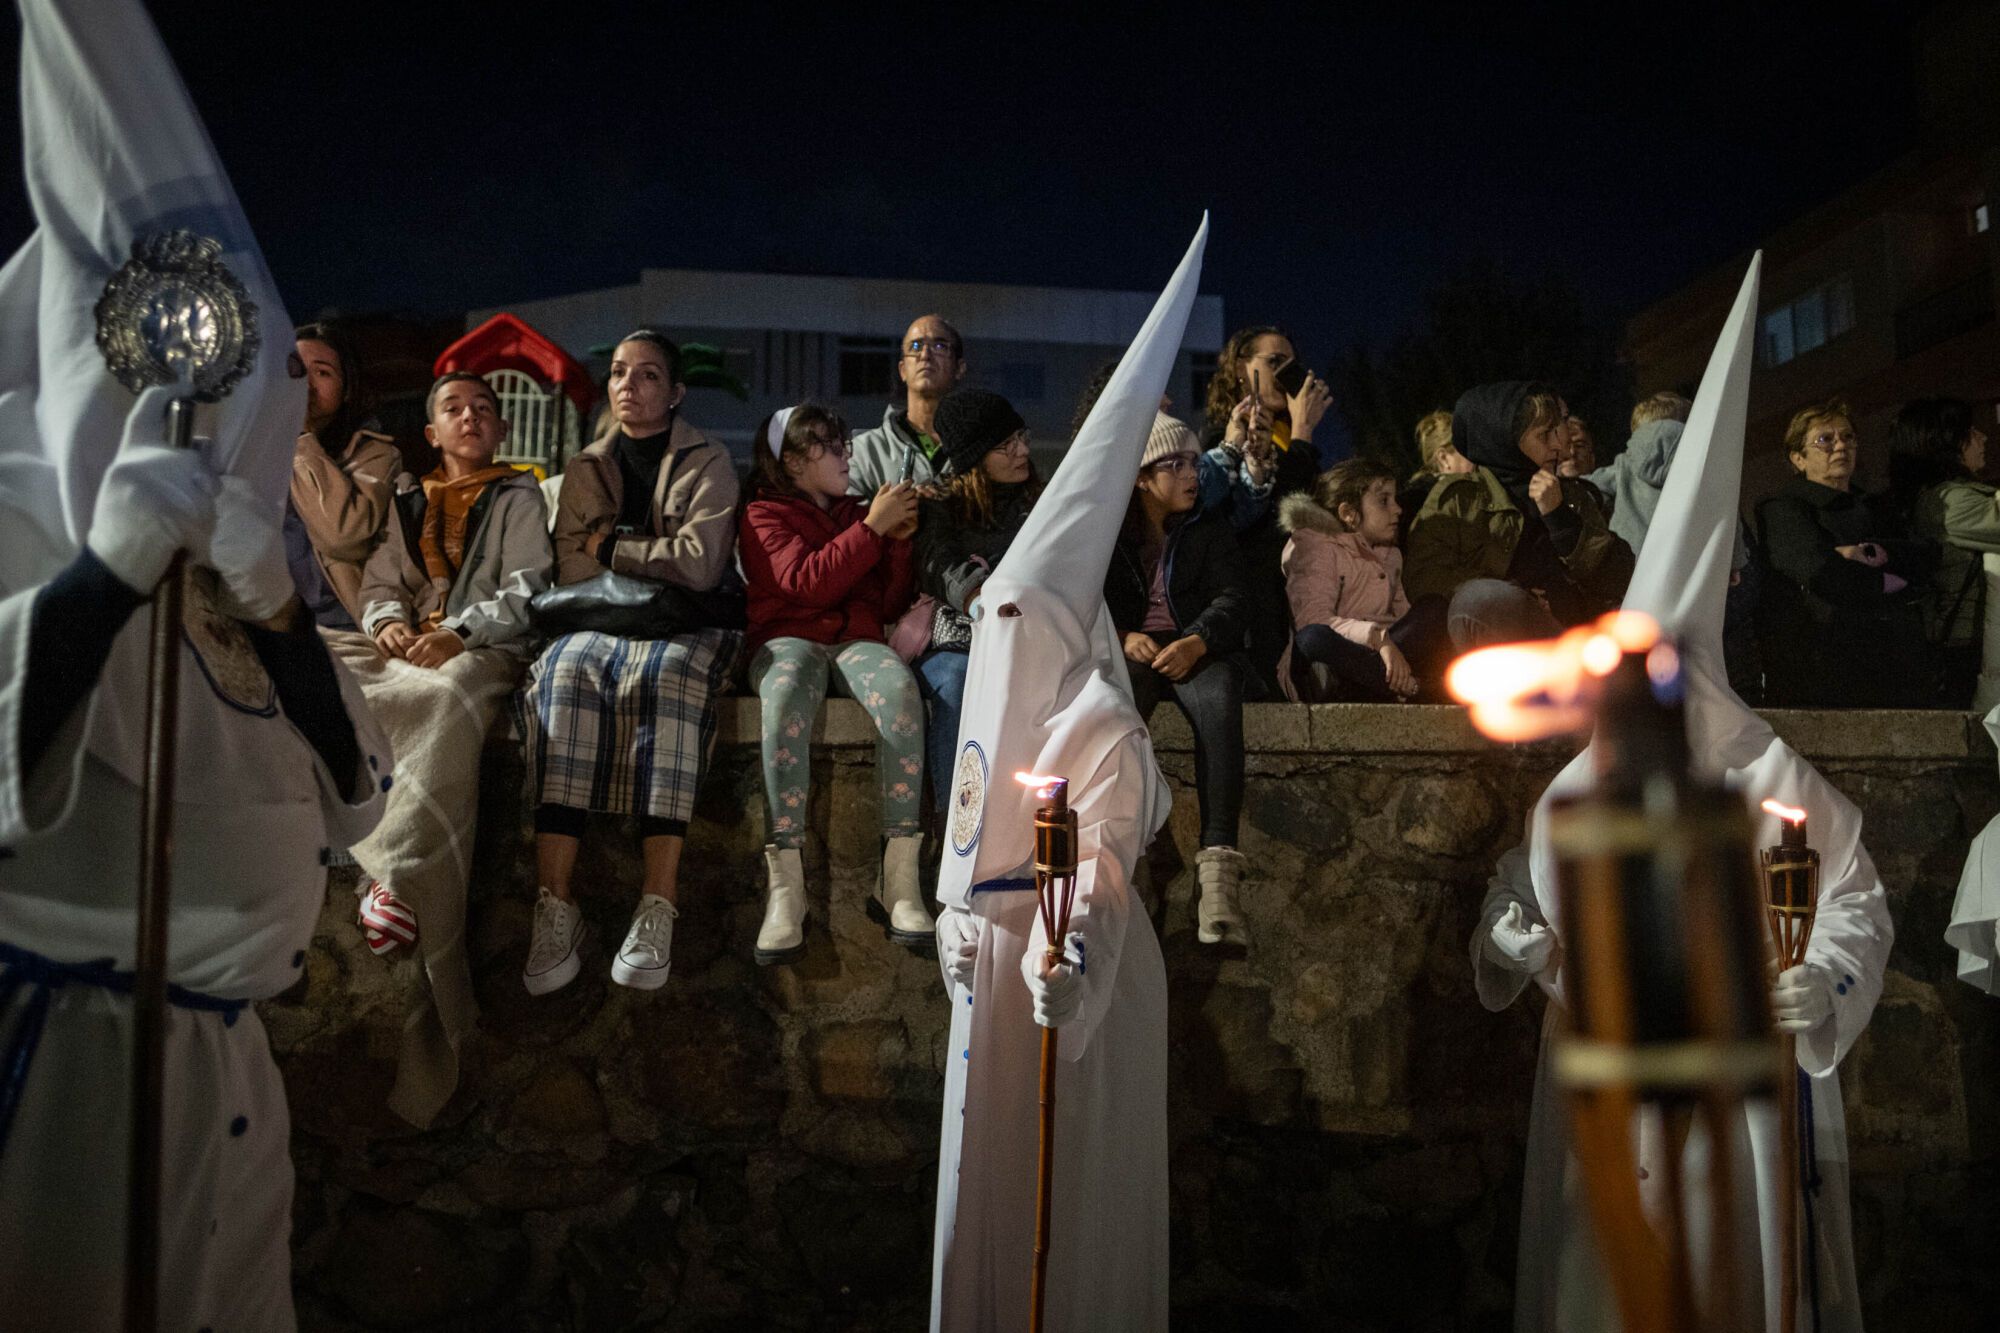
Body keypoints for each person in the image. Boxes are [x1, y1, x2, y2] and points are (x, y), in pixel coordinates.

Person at [1, 8, 388, 1327]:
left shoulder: (242, 585)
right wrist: (105, 573)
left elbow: (353, 795)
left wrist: (277, 610)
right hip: (63, 1093)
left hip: (226, 1084)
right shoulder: (15, 526)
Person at [1474, 258, 1888, 1332]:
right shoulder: (1577, 787)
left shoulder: (1766, 774)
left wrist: (1825, 980)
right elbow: (1523, 898)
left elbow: (1851, 899)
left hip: (1740, 1089)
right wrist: (1516, 940)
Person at [930, 215, 1207, 1333]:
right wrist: (956, 921)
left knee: (1067, 1210)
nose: (1002, 637)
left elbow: (1103, 858)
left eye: (1020, 620)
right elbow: (966, 830)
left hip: (1070, 984)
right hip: (990, 989)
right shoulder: (994, 705)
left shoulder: (1103, 728)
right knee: (983, 1201)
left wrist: (1073, 949)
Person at [322, 372, 552, 1126]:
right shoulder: (408, 497)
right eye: (454, 408)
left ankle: (391, 878)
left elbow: (528, 587)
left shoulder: (518, 495)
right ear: (431, 432)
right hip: (409, 644)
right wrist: (387, 620)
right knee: (321, 661)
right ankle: (367, 855)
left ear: (502, 430)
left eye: (485, 409)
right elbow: (380, 582)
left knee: (442, 697)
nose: (471, 418)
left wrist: (460, 632)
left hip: (479, 648)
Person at [518, 330, 741, 994]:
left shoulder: (708, 459)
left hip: (684, 620)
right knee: (564, 673)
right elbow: (573, 566)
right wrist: (646, 555)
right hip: (604, 618)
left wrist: (615, 547)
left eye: (647, 375)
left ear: (674, 393)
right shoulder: (588, 463)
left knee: (669, 678)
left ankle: (658, 901)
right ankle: (556, 904)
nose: (627, 385)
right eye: (618, 372)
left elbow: (700, 564)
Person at [738, 403, 930, 962]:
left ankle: (897, 878)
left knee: (899, 691)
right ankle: (786, 887)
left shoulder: (858, 512)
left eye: (845, 442)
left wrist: (897, 542)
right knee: (785, 689)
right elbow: (807, 583)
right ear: (793, 461)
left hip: (856, 641)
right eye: (829, 445)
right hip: (788, 638)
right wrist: (872, 530)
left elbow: (888, 603)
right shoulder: (762, 514)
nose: (847, 455)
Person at [1104, 413, 1252, 944]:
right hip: (1135, 650)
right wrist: (1122, 636)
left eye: (1193, 462)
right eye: (1176, 465)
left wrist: (1198, 639)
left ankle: (1218, 879)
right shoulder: (1110, 531)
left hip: (1194, 647)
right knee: (1115, 714)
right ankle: (1130, 861)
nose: (1192, 474)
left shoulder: (1208, 526)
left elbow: (1235, 598)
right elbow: (1080, 599)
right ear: (1142, 477)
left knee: (1220, 705)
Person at [1404, 381, 1634, 650]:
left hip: (1584, 645)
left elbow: (1620, 576)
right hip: (1512, 650)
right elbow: (1423, 577)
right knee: (1479, 599)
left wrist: (1560, 520)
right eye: (1544, 435)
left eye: (1557, 430)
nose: (1559, 445)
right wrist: (1512, 593)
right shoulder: (1460, 499)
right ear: (1508, 440)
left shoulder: (1572, 494)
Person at [1756, 399, 1936, 707]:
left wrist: (1872, 552)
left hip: (1897, 661)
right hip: (1829, 666)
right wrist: (1887, 581)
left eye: (1847, 437)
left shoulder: (1877, 506)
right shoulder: (1784, 510)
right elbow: (1822, 574)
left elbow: (1926, 558)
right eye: (1825, 440)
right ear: (1798, 458)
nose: (1840, 446)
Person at [912, 386, 1040, 818]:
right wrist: (979, 598)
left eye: (1022, 437)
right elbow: (939, 564)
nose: (1023, 451)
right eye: (1006, 446)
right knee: (958, 682)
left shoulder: (1040, 501)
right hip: (960, 640)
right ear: (974, 457)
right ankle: (956, 826)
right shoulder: (942, 504)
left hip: (1029, 637)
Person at [1201, 325, 1335, 697]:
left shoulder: (1288, 437)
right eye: (1274, 362)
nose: (1283, 375)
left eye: (1291, 365)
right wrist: (1302, 432)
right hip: (1255, 605)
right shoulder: (1224, 437)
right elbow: (1276, 515)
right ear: (1240, 368)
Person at [1277, 458, 1450, 702]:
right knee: (1313, 637)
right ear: (1348, 513)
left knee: (1434, 609)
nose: (1397, 509)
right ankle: (1411, 688)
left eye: (1394, 499)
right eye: (1384, 501)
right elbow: (1312, 619)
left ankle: (1376, 684)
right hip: (1336, 658)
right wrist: (1379, 639)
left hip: (1376, 659)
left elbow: (1403, 618)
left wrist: (1395, 649)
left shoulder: (1390, 554)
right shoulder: (1315, 546)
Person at [285, 321, 400, 630]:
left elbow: (343, 538)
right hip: (259, 619)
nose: (305, 384)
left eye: (322, 373)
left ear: (347, 389)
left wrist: (302, 437)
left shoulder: (375, 455)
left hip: (334, 623)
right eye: (296, 370)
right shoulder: (252, 444)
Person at [1895, 397, 1995, 708]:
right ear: (1947, 442)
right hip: (1970, 649)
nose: (1983, 437)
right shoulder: (1949, 503)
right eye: (1971, 431)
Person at [848, 314, 967, 495]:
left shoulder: (984, 449)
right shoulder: (864, 451)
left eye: (939, 346)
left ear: (959, 368)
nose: (925, 355)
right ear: (902, 370)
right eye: (915, 347)